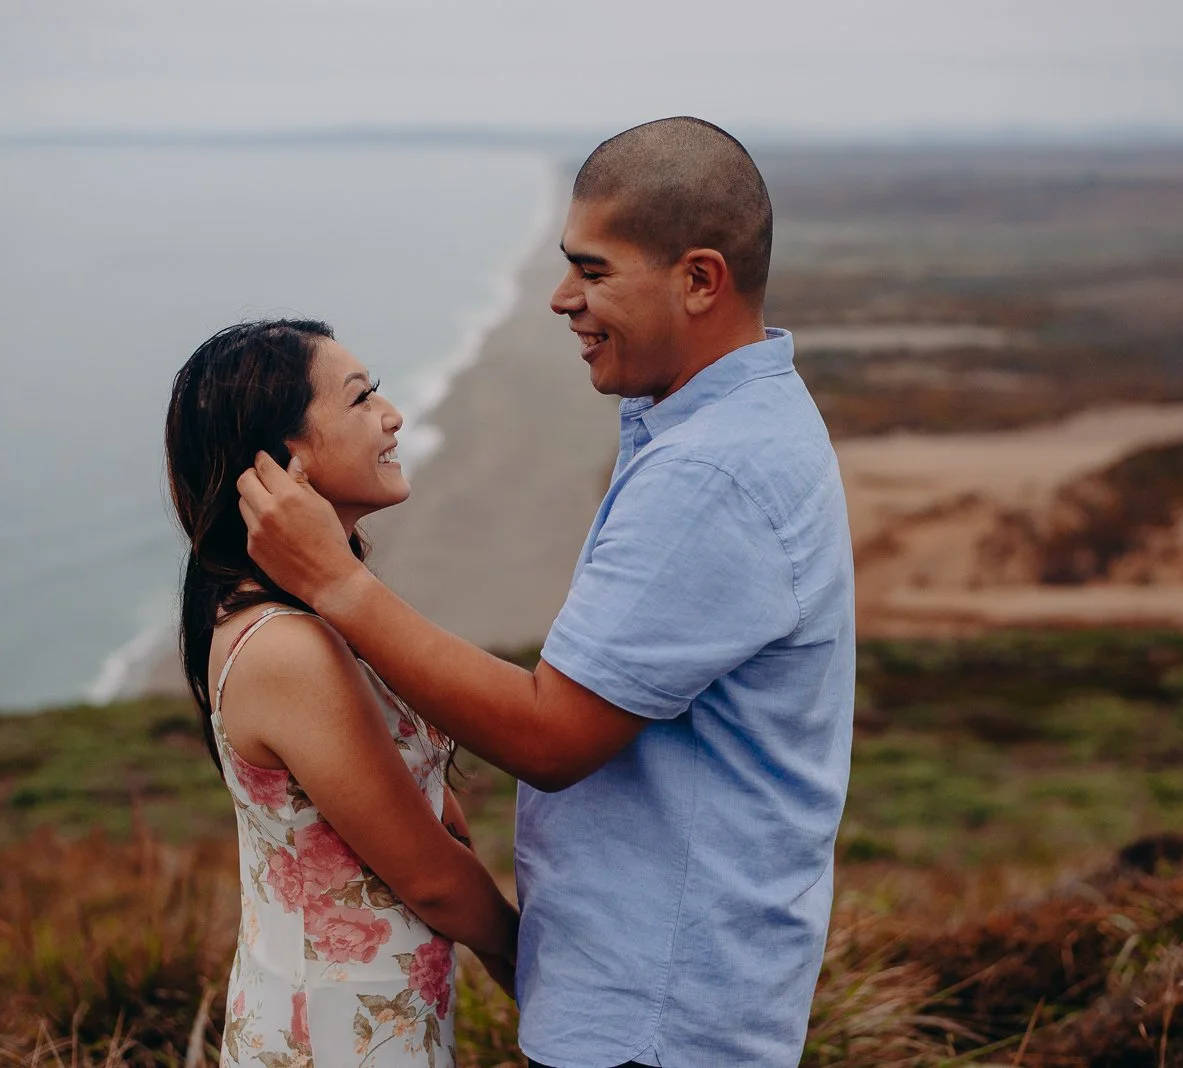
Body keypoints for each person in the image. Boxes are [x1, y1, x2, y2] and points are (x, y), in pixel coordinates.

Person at [237, 117, 856, 1067]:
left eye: (594, 271)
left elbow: (550, 736)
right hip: (669, 996)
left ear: (700, 280)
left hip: (656, 1017)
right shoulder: (722, 425)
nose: (562, 299)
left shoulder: (710, 475)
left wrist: (335, 581)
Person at [165, 320, 518, 1067]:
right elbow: (429, 878)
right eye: (361, 400)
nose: (391, 415)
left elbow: (414, 802)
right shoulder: (288, 649)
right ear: (286, 460)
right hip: (334, 1032)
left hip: (360, 1013)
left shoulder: (302, 606)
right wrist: (541, 971)